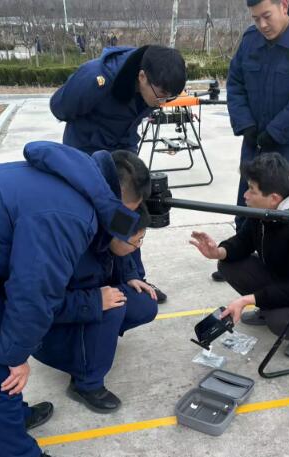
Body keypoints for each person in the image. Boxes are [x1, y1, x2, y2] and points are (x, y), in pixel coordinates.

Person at [0, 141, 151, 457]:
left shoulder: (77, 180)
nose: (125, 225)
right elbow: (33, 293)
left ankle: (15, 416)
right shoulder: (68, 215)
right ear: (119, 199)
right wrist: (16, 356)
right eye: (126, 214)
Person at [50, 44, 187, 304]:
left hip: (121, 152)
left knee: (130, 212)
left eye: (169, 98)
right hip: (86, 156)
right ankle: (89, 284)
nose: (162, 103)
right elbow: (59, 107)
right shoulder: (96, 78)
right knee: (94, 221)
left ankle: (132, 276)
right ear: (142, 76)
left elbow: (132, 118)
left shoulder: (150, 88)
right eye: (161, 96)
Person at [214, 0, 289, 281]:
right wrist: (245, 124)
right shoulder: (250, 40)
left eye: (266, 16)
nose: (262, 25)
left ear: (284, 6)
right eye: (255, 19)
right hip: (255, 143)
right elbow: (236, 83)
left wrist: (276, 132)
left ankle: (286, 282)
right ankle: (245, 258)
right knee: (248, 206)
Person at [34, 153, 158, 414]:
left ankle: (94, 343)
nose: (138, 245)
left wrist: (131, 275)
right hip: (46, 330)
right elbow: (40, 302)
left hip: (82, 300)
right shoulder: (68, 231)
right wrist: (95, 301)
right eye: (136, 240)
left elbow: (123, 246)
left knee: (143, 303)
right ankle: (86, 383)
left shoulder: (109, 215)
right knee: (112, 307)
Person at [190, 153, 289, 359]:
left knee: (277, 319)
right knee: (227, 265)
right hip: (283, 277)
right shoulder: (265, 209)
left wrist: (248, 299)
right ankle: (269, 306)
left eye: (252, 190)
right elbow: (245, 240)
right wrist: (219, 251)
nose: (245, 195)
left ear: (274, 199)